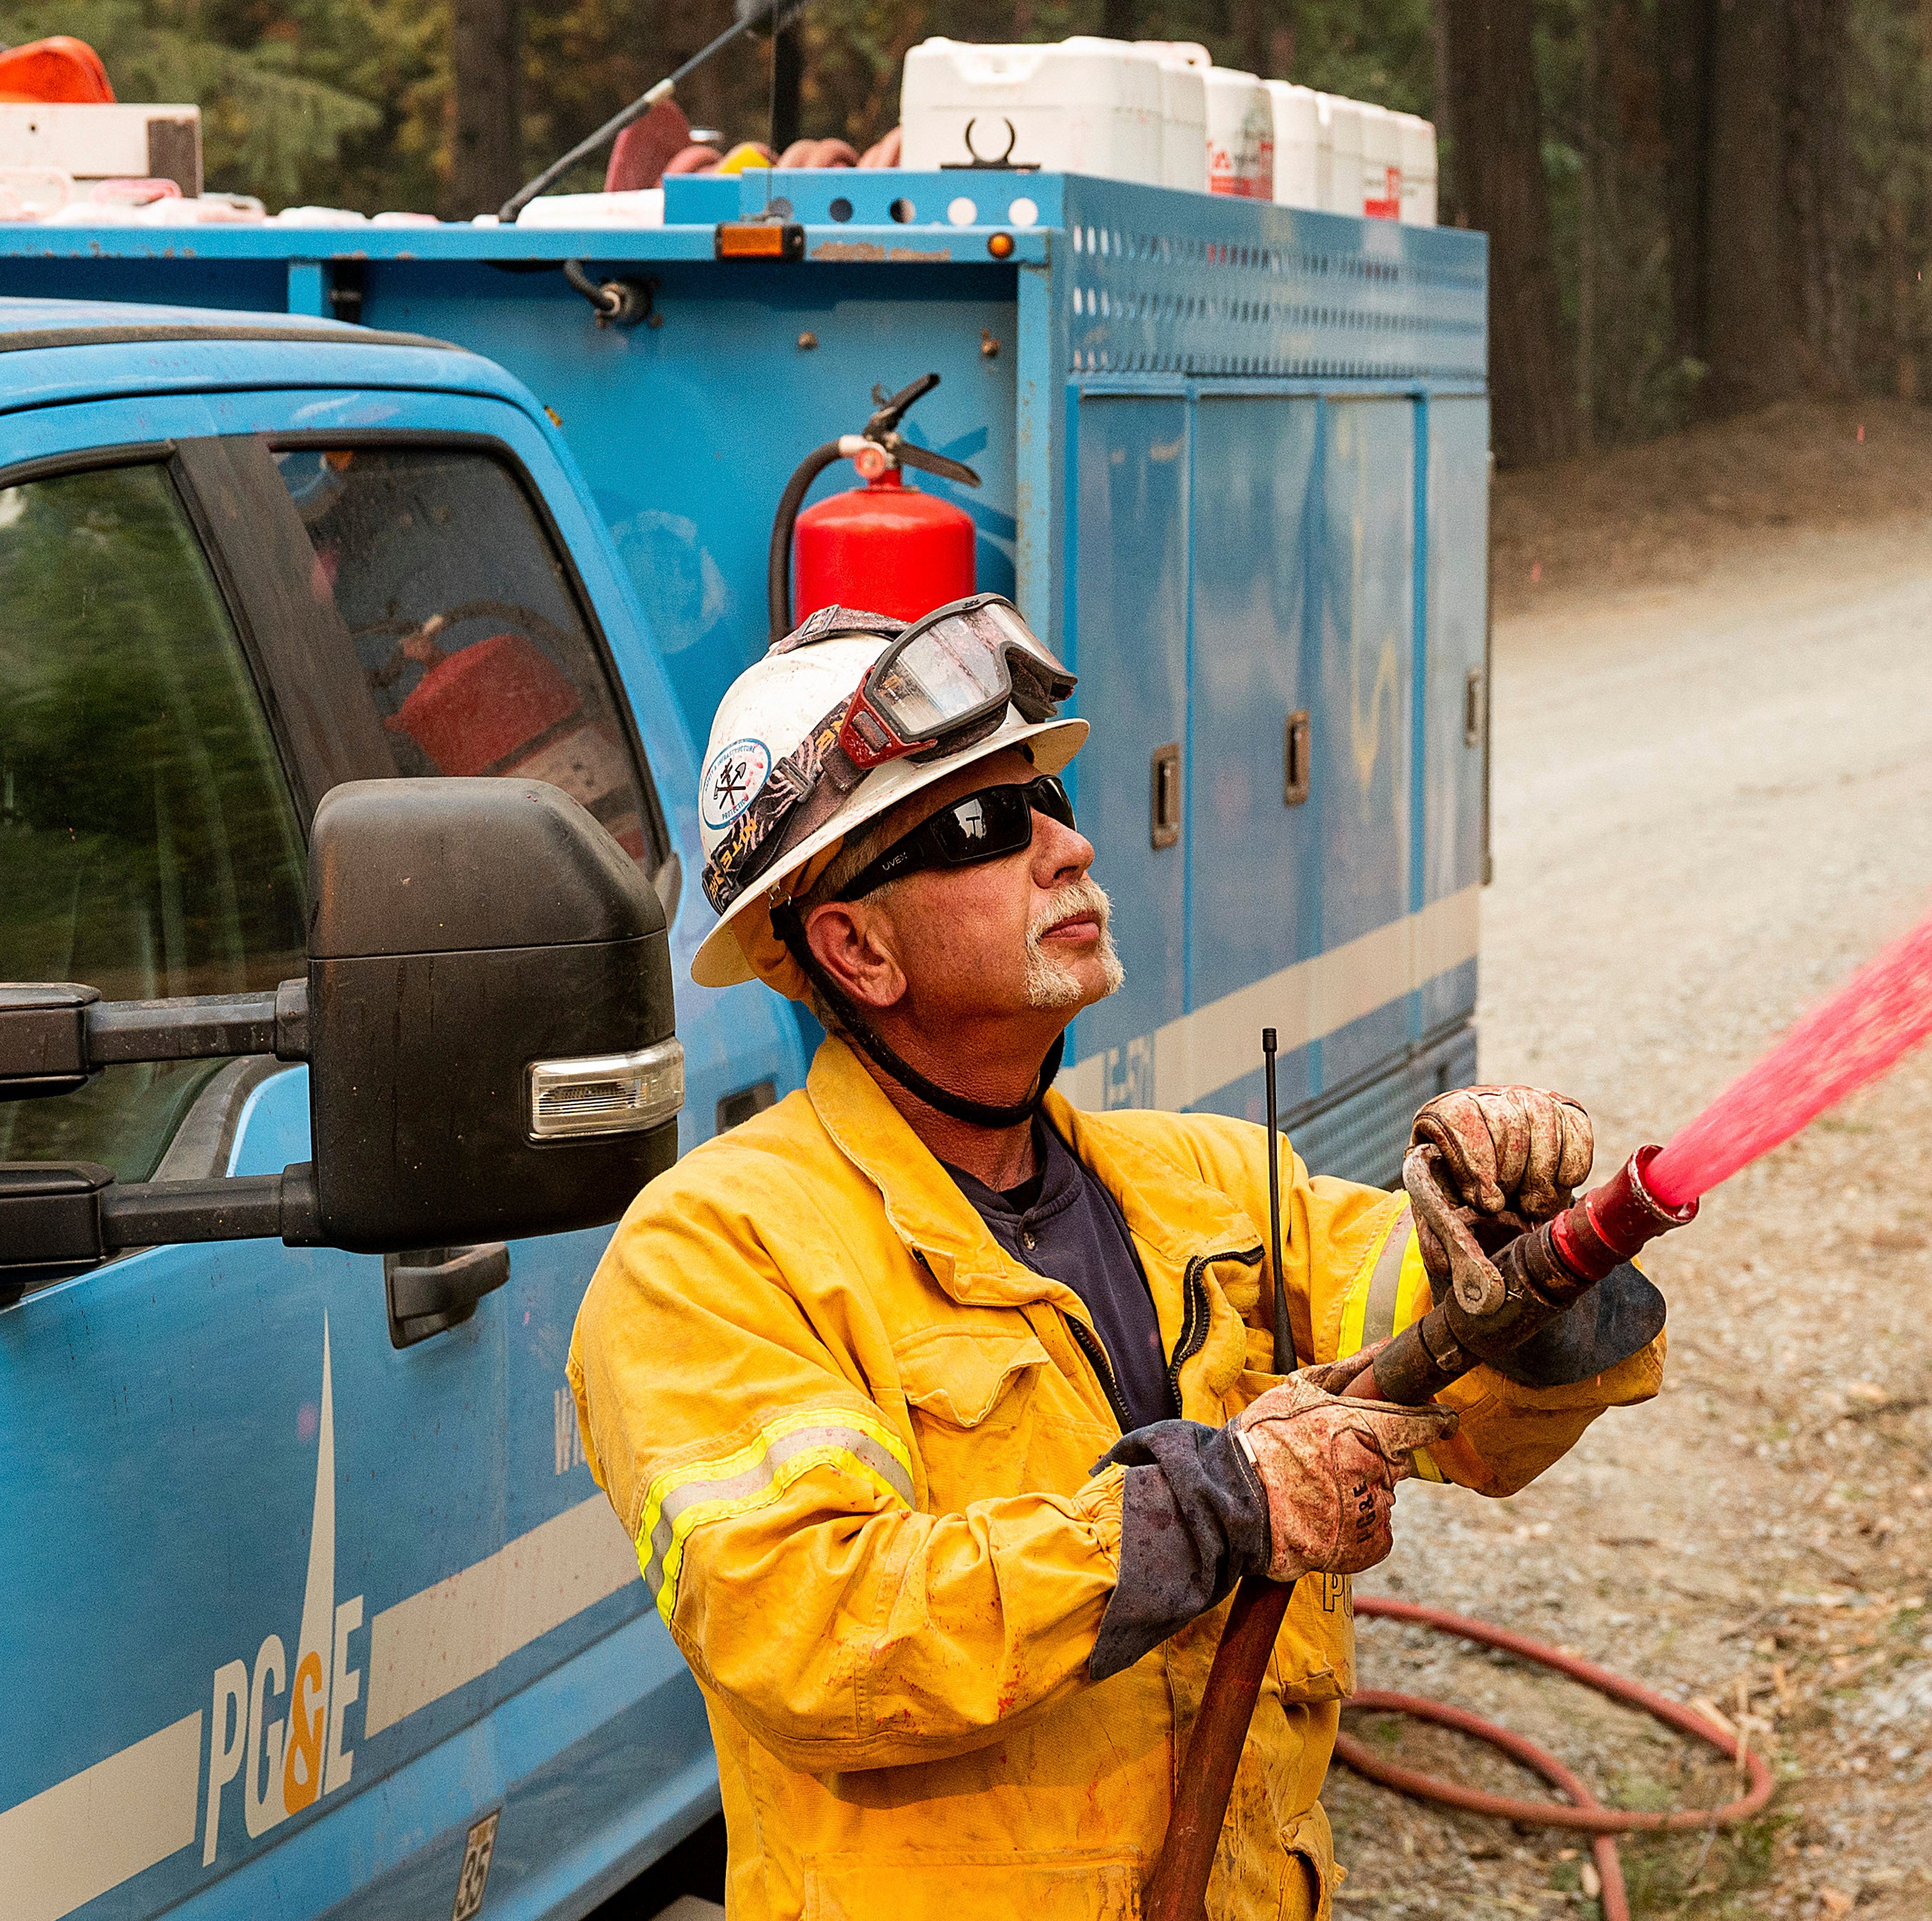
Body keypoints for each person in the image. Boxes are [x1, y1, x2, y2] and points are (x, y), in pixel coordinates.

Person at [568, 599, 1665, 1921]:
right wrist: (1212, 1507)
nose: (1071, 847)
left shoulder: (1209, 1182)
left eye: (1049, 799)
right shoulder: (714, 1253)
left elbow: (1486, 1398)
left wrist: (1520, 1242)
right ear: (854, 948)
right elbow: (814, 1634)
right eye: (985, 824)